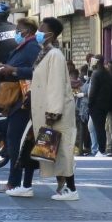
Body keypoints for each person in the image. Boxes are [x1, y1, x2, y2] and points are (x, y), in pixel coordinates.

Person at [31, 17, 79, 200]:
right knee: (56, 151)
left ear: (50, 34)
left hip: (56, 113)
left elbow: (55, 85)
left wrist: (52, 113)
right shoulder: (46, 53)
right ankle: (62, 186)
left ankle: (72, 189)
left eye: (41, 28)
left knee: (64, 151)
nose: (39, 31)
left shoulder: (55, 55)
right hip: (47, 111)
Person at [0, 17, 41, 196]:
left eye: (19, 29)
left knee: (16, 141)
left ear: (27, 31)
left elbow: (37, 71)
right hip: (17, 100)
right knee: (22, 142)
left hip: (25, 101)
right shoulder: (23, 47)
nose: (16, 33)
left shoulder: (32, 47)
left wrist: (12, 70)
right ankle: (23, 184)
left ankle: (15, 182)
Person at [88, 55, 112, 158]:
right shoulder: (108, 74)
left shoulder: (96, 74)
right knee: (101, 127)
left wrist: (90, 103)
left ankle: (101, 150)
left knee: (98, 128)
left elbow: (93, 91)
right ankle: (102, 149)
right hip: (105, 104)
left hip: (96, 105)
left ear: (97, 61)